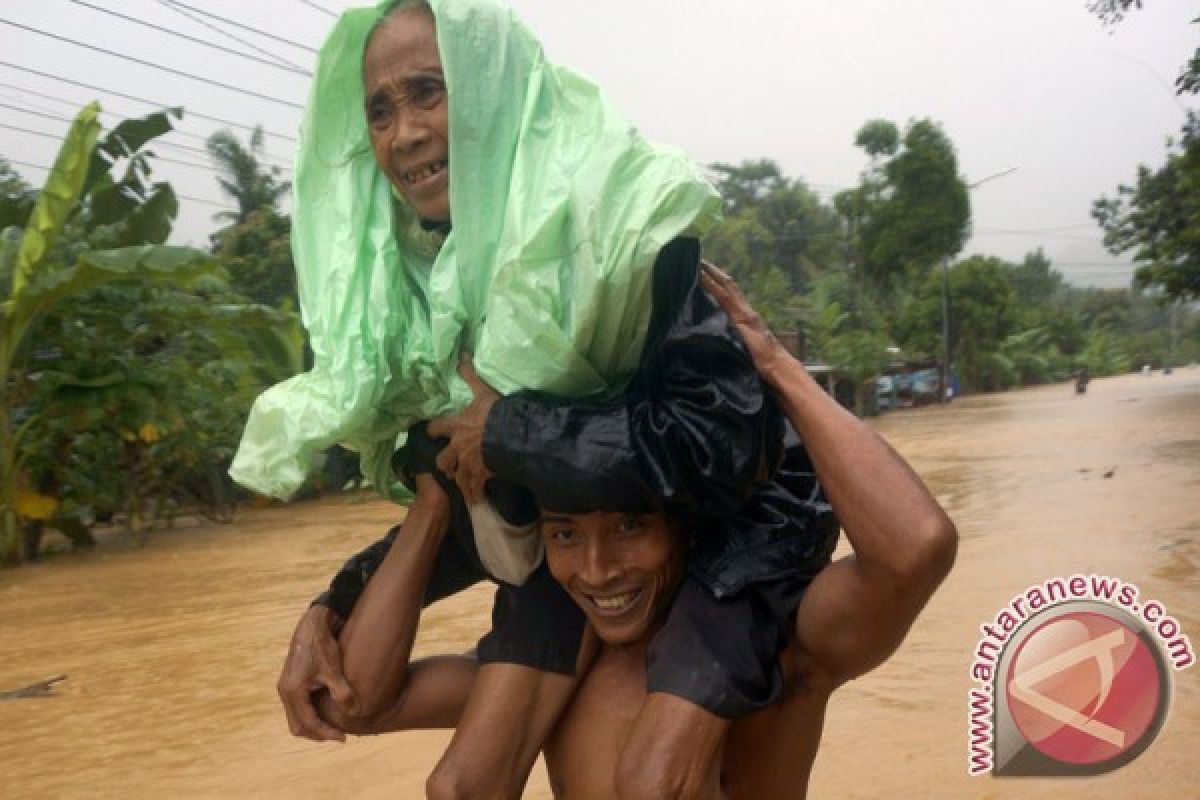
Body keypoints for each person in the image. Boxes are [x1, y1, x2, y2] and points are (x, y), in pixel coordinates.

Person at [268, 2, 837, 797]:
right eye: (379, 110)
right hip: (575, 549)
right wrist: (334, 603)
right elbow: (482, 493)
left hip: (723, 552)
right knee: (461, 785)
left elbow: (720, 448)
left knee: (653, 779)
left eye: (429, 91)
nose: (404, 134)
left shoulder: (618, 232)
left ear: (493, 92)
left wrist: (508, 428)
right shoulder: (442, 290)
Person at [312, 266, 958, 799]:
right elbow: (355, 702)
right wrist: (432, 501)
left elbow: (916, 548)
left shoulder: (776, 657)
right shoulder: (556, 667)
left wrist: (772, 365)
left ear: (686, 525)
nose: (597, 570)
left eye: (629, 527)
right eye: (564, 535)